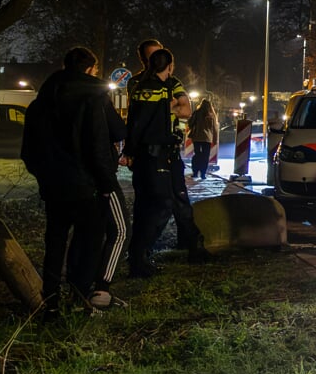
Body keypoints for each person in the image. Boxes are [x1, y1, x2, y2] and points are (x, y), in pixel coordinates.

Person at [21, 46, 127, 311]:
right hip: (87, 185)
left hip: (53, 186)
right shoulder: (93, 97)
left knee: (54, 242)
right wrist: (104, 182)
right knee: (90, 240)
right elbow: (101, 144)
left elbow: (28, 151)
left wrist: (44, 177)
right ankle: (79, 297)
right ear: (91, 69)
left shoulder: (40, 102)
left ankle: (51, 301)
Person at [125, 46, 206, 276]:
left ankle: (192, 247)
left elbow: (186, 110)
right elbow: (152, 115)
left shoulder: (154, 84)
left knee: (177, 200)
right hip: (155, 153)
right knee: (159, 204)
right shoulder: (146, 85)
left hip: (164, 152)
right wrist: (167, 106)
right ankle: (140, 256)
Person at [188, 98, 219, 179]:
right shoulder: (211, 115)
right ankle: (203, 174)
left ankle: (195, 172)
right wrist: (215, 139)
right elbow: (214, 128)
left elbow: (190, 123)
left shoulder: (196, 113)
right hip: (207, 138)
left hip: (197, 137)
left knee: (197, 155)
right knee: (205, 156)